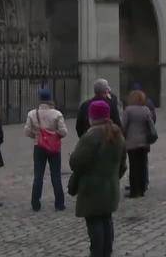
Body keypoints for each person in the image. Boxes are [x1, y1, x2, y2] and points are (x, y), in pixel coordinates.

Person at [70, 100, 127, 257]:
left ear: (92, 117)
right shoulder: (117, 134)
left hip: (92, 189)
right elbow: (123, 164)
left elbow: (76, 162)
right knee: (106, 220)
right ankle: (106, 252)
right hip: (110, 187)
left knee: (95, 224)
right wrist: (113, 178)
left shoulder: (91, 136)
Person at [25, 88, 69, 211]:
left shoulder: (32, 113)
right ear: (50, 99)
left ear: (40, 99)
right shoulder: (57, 114)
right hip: (54, 147)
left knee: (38, 176)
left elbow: (27, 131)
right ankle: (59, 203)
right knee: (56, 175)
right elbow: (64, 132)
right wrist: (55, 135)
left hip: (38, 146)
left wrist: (37, 136)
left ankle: (35, 203)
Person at [122, 90, 155, 198]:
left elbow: (124, 126)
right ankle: (142, 189)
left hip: (132, 142)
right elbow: (151, 124)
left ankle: (134, 191)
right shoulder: (146, 109)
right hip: (144, 142)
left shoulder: (128, 110)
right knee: (142, 166)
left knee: (134, 167)